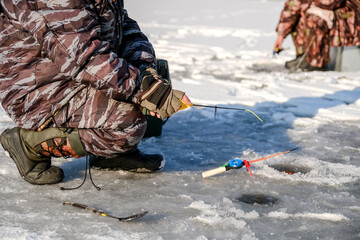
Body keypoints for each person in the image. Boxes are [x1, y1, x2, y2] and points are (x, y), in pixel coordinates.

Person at [0, 0, 191, 185]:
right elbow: (83, 56)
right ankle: (29, 144)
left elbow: (124, 28)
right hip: (38, 90)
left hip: (76, 75)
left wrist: (146, 72)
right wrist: (147, 91)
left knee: (137, 96)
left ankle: (111, 153)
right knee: (127, 121)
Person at [274, 0, 360, 71]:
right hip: (326, 11)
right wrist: (281, 35)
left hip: (347, 15)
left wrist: (310, 5)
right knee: (301, 18)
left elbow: (331, 3)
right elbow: (292, 6)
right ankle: (306, 56)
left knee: (313, 19)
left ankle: (316, 63)